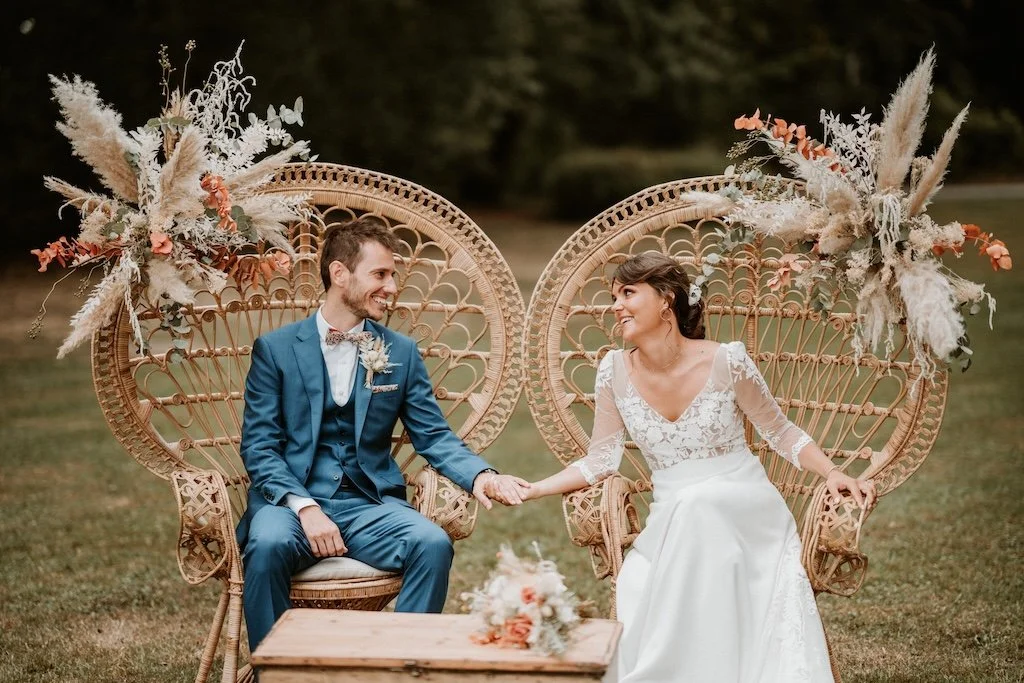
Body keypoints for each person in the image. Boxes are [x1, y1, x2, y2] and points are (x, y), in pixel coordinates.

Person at [521, 252, 875, 682]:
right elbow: (601, 460)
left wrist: (831, 471)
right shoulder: (613, 371)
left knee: (700, 505)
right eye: (614, 296)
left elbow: (780, 432)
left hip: (744, 507)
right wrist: (534, 489)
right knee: (659, 551)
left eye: (628, 293)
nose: (616, 306)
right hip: (673, 518)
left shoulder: (727, 360)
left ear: (666, 299)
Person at [237, 216, 529, 651]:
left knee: (431, 543)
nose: (391, 287)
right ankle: (275, 671)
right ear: (340, 274)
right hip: (291, 504)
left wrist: (482, 476)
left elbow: (433, 435)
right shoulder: (276, 350)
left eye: (392, 276)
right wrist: (305, 507)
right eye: (380, 274)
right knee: (268, 544)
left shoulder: (400, 352)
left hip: (367, 505)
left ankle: (397, 666)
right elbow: (260, 447)